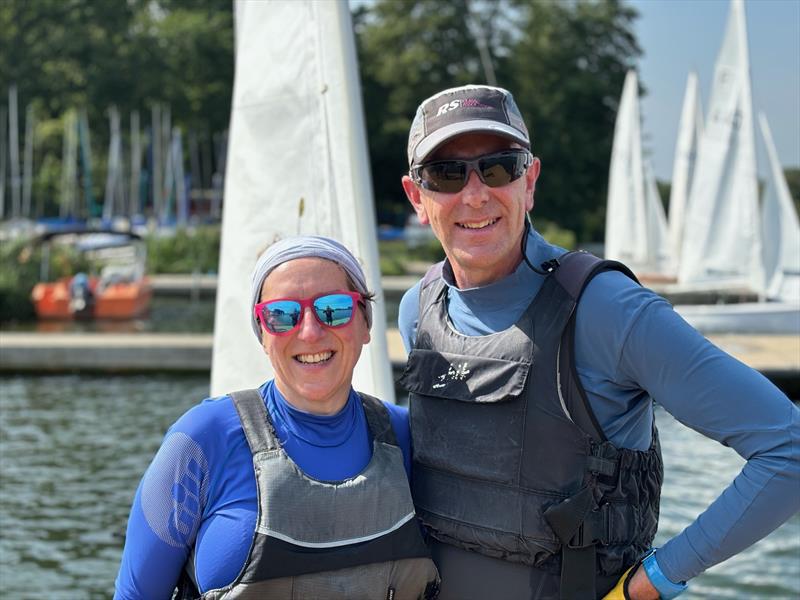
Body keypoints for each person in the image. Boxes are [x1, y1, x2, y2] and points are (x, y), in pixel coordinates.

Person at [397, 84, 799, 600]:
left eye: (499, 167)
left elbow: (786, 448)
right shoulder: (419, 310)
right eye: (447, 175)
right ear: (417, 197)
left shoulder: (606, 309)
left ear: (530, 181)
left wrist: (656, 581)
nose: (475, 194)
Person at [114, 235, 440, 600]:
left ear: (365, 323)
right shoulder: (201, 442)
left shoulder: (404, 438)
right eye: (282, 315)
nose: (311, 332)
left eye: (334, 308)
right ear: (262, 335)